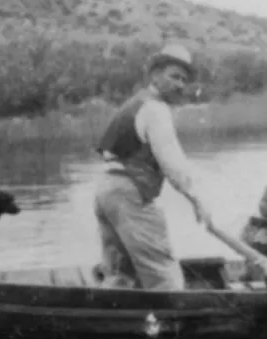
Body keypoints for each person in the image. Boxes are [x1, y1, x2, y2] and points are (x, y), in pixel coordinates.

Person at [91, 44, 213, 290]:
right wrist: (197, 200)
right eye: (173, 76)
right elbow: (172, 163)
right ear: (154, 75)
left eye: (183, 79)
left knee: (120, 273)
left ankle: (113, 320)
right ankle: (176, 323)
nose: (180, 84)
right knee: (163, 272)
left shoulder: (135, 103)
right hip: (129, 194)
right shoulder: (156, 109)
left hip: (106, 189)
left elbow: (109, 152)